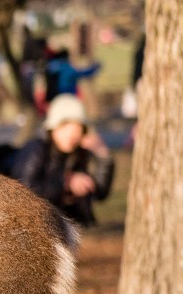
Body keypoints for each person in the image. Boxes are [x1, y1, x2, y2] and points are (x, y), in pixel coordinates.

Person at [9, 94, 113, 226]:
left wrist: (103, 156)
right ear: (53, 128)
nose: (72, 134)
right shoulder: (36, 149)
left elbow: (99, 193)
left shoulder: (78, 153)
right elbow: (23, 192)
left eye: (77, 127)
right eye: (65, 126)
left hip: (72, 229)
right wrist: (66, 183)